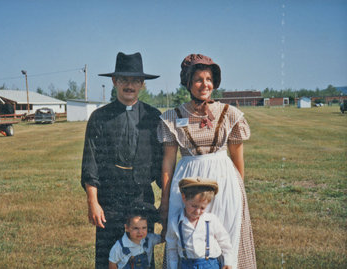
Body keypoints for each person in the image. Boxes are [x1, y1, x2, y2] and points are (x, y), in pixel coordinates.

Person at [158, 54, 256, 268]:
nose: (205, 84)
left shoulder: (230, 114)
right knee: (185, 238)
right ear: (188, 83)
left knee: (226, 238)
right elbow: (168, 163)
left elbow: (238, 162)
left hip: (224, 185)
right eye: (199, 79)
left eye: (209, 79)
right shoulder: (172, 117)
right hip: (186, 184)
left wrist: (237, 192)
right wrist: (165, 201)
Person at [81, 52, 163, 269]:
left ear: (142, 84)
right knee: (109, 259)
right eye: (124, 80)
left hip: (142, 201)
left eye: (135, 80)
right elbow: (90, 164)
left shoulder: (153, 117)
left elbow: (162, 165)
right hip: (109, 203)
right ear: (114, 81)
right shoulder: (99, 117)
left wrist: (166, 202)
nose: (130, 85)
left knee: (142, 260)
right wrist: (93, 202)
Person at [166, 177, 233, 269]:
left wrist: (228, 262)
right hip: (187, 265)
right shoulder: (175, 222)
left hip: (210, 264)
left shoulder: (211, 220)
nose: (197, 212)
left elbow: (224, 241)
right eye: (194, 206)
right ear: (184, 198)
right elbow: (171, 248)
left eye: (202, 208)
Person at [109, 205, 164, 269]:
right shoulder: (119, 247)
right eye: (136, 228)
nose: (140, 232)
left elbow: (165, 237)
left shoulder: (149, 239)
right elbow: (112, 265)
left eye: (144, 228)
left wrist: (163, 221)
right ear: (127, 228)